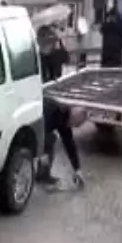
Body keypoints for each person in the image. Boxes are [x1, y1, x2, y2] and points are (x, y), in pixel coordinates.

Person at [35, 27, 84, 189]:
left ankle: (43, 172)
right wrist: (40, 153)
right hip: (39, 108)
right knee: (48, 140)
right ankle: (41, 173)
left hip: (49, 96)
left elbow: (70, 143)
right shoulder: (55, 112)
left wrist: (78, 170)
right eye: (51, 42)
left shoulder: (64, 114)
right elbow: (41, 135)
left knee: (56, 139)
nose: (73, 127)